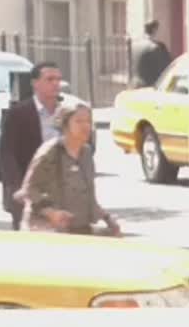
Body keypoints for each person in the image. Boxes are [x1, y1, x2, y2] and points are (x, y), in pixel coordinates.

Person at [15, 98, 120, 236]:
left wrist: (107, 218)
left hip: (79, 228)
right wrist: (51, 213)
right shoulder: (51, 151)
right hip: (48, 231)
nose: (85, 126)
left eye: (88, 121)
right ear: (64, 125)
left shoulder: (86, 153)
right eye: (79, 121)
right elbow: (27, 191)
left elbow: (88, 196)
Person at [0, 62, 63, 230]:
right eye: (50, 79)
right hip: (29, 188)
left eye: (58, 79)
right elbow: (7, 154)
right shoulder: (18, 113)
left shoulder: (66, 113)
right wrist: (16, 187)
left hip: (60, 189)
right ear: (35, 83)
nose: (56, 84)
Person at [132, 20, 173, 88]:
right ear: (154, 30)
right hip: (151, 86)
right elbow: (167, 68)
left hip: (135, 85)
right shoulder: (156, 47)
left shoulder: (134, 45)